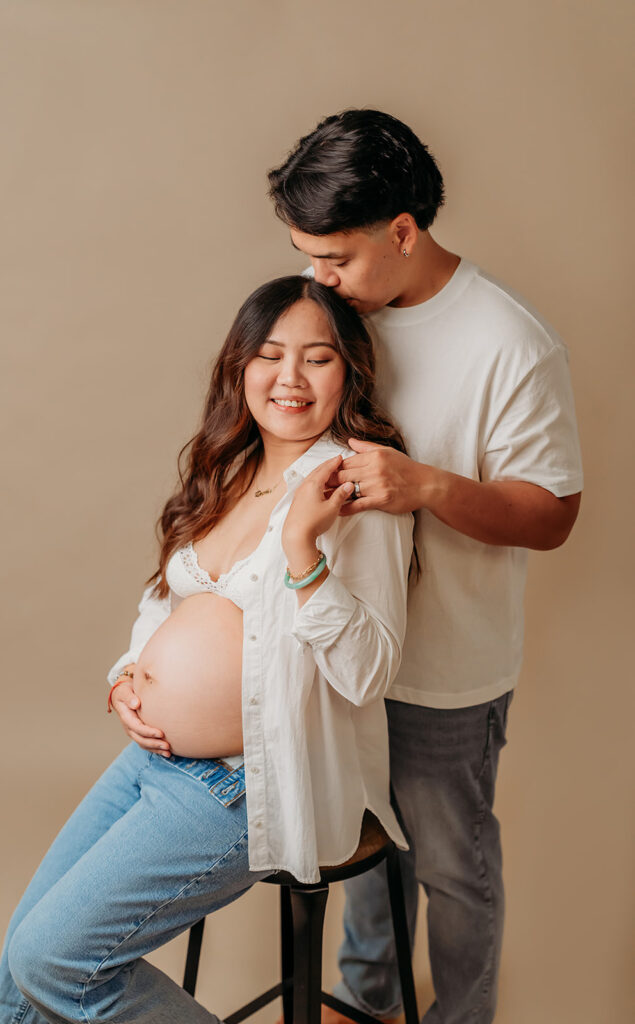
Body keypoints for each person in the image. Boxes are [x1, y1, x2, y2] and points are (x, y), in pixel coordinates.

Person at [0, 275, 414, 1024]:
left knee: (53, 961)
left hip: (244, 786)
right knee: (23, 949)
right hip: (152, 759)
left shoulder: (355, 484)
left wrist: (301, 548)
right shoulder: (230, 464)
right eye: (270, 355)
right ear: (238, 365)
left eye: (317, 358)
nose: (289, 378)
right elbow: (165, 600)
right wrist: (129, 675)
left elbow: (368, 670)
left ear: (348, 371)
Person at [268, 109, 583, 1024]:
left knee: (453, 873)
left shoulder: (511, 345)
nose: (315, 279)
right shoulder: (329, 309)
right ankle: (368, 1008)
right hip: (340, 651)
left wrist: (427, 487)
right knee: (369, 860)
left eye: (336, 260)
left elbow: (553, 516)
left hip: (448, 674)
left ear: (403, 231)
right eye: (307, 256)